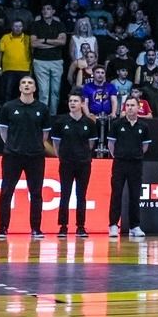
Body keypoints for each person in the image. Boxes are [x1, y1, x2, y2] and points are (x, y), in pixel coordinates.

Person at [0, 75, 50, 238]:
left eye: (30, 83)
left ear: (35, 88)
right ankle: (2, 228)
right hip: (13, 156)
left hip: (35, 157)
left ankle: (36, 228)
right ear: (20, 87)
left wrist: (33, 145)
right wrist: (14, 145)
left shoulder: (42, 108)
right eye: (24, 83)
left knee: (36, 193)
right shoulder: (9, 107)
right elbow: (3, 132)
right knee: (6, 191)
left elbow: (45, 134)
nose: (27, 85)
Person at [52, 89, 97, 237]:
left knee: (81, 195)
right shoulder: (61, 122)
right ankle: (63, 226)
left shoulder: (89, 123)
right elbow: (56, 144)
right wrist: (63, 156)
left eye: (76, 101)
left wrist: (82, 155)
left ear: (82, 103)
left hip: (84, 163)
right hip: (66, 163)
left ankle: (80, 226)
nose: (73, 103)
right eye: (71, 101)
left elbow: (91, 144)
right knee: (65, 194)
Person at [107, 95, 151, 238]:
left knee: (134, 195)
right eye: (128, 105)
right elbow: (111, 145)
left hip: (136, 164)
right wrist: (120, 155)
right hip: (119, 163)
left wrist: (135, 154)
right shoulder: (117, 124)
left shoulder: (143, 126)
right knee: (116, 194)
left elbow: (145, 147)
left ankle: (135, 226)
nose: (130, 108)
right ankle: (113, 225)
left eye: (133, 105)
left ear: (138, 108)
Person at [30, 3, 67, 115]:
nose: (46, 11)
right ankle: (43, 116)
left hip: (56, 61)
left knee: (55, 91)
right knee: (44, 91)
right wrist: (53, 42)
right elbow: (34, 44)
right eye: (44, 9)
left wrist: (44, 40)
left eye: (48, 9)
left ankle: (53, 115)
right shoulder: (36, 25)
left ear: (53, 11)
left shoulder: (59, 25)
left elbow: (62, 42)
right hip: (40, 61)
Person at [0, 19, 32, 104]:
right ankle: (6, 113)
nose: (18, 28)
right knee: (7, 93)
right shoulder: (5, 37)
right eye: (16, 26)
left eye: (20, 26)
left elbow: (32, 54)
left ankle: (23, 112)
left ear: (23, 27)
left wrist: (31, 69)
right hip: (9, 70)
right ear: (12, 27)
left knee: (24, 93)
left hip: (25, 70)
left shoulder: (28, 38)